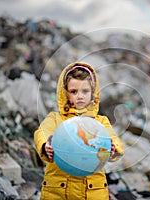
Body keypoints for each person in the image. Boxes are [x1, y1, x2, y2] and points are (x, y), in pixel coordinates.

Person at [34, 62, 125, 199]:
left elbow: (114, 140)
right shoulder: (55, 118)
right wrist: (45, 145)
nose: (80, 96)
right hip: (57, 192)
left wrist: (113, 148)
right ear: (65, 93)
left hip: (93, 192)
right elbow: (41, 132)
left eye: (85, 91)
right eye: (74, 92)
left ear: (93, 93)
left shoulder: (100, 122)